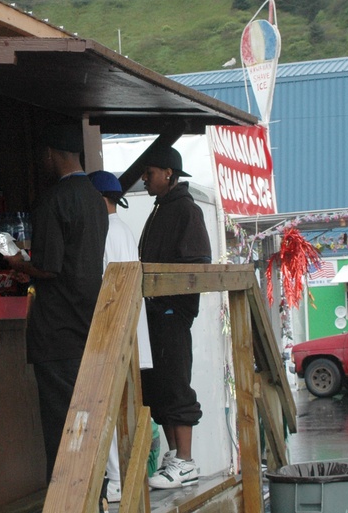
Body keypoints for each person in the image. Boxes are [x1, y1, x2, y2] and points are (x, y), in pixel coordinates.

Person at [4, 120, 108, 482]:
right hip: (88, 324)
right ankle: (91, 497)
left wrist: (18, 262)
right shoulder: (96, 199)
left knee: (61, 430)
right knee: (85, 424)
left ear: (50, 154)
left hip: (56, 331)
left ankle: (68, 501)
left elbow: (48, 267)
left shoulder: (54, 200)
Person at [138, 145, 210, 490]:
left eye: (149, 172)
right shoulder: (162, 208)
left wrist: (169, 299)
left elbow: (198, 263)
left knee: (176, 383)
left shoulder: (185, 209)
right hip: (154, 311)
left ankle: (185, 460)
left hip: (172, 312)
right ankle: (174, 457)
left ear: (169, 173)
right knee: (159, 386)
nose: (144, 178)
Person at [88, 170, 152, 504]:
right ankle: (127, 475)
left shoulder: (102, 232)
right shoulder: (123, 229)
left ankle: (116, 479)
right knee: (125, 407)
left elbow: (104, 284)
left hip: (113, 328)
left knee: (109, 410)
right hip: (131, 329)